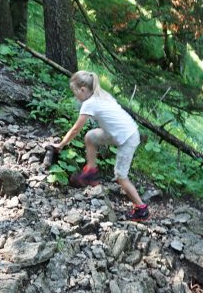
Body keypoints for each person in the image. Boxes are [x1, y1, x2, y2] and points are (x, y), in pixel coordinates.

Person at [53, 70, 149, 222]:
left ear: (83, 90)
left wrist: (61, 144)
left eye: (75, 92)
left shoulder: (90, 103)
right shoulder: (101, 94)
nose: (75, 96)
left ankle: (141, 209)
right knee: (91, 136)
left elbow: (76, 129)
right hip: (121, 132)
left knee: (120, 176)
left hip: (127, 138)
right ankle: (91, 171)